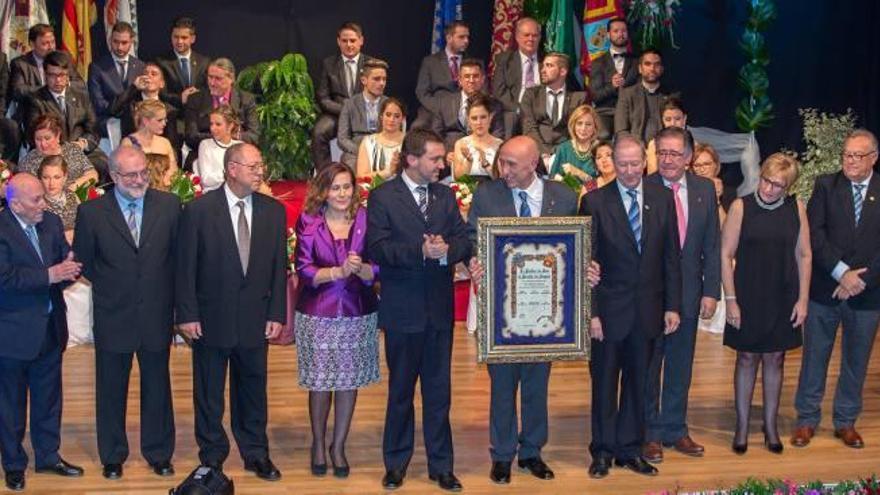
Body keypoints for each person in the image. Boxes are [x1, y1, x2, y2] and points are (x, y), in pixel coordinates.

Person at [467, 135, 578, 484]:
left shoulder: (564, 197)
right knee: (501, 383)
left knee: (536, 382)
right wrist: (474, 259)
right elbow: (472, 237)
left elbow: (574, 247)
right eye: (502, 162)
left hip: (545, 310)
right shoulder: (487, 195)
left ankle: (531, 451)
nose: (504, 170)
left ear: (533, 164)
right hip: (502, 309)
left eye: (512, 164)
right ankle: (501, 454)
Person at [366, 129, 471, 492]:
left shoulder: (444, 196)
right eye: (435, 158)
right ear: (411, 159)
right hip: (402, 310)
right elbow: (377, 248)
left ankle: (442, 466)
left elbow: (464, 238)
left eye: (442, 158)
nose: (442, 164)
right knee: (400, 392)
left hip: (439, 311)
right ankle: (396, 463)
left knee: (439, 393)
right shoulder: (382, 197)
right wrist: (419, 251)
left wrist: (449, 249)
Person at [176, 143, 287, 480]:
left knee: (254, 389)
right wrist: (187, 314)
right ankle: (212, 454)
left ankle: (256, 452)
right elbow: (185, 268)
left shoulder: (273, 210)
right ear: (232, 169)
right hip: (210, 319)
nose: (259, 172)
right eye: (253, 166)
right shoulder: (199, 210)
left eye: (260, 165)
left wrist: (277, 313)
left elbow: (278, 268)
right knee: (209, 392)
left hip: (256, 318)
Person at [72, 146, 180, 480]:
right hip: (112, 314)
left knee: (157, 387)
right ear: (114, 177)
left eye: (143, 172)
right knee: (110, 388)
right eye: (131, 175)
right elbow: (84, 263)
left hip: (156, 314)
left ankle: (159, 453)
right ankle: (113, 455)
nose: (139, 180)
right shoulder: (91, 213)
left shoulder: (170, 206)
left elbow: (178, 258)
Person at [579, 132, 681, 479]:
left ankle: (630, 450)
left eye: (635, 163)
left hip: (648, 310)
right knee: (604, 385)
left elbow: (671, 258)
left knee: (640, 385)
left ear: (645, 162)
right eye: (621, 164)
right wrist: (590, 313)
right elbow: (586, 264)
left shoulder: (663, 198)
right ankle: (602, 451)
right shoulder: (594, 202)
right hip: (607, 314)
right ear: (612, 164)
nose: (628, 170)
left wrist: (673, 306)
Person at [792, 129, 880, 450]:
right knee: (815, 356)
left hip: (868, 294)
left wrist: (861, 281)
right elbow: (814, 234)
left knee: (856, 361)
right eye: (846, 154)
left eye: (858, 155)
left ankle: (846, 421)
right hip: (826, 289)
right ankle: (806, 419)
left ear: (873, 158)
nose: (850, 161)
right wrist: (842, 273)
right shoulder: (826, 186)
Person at [721, 152, 811, 455]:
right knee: (746, 358)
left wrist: (803, 299)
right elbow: (725, 255)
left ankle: (770, 425)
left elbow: (804, 255)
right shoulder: (740, 207)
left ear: (788, 186)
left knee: (776, 358)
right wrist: (731, 300)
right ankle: (743, 425)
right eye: (767, 180)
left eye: (778, 185)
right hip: (747, 293)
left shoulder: (795, 208)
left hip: (783, 294)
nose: (770, 188)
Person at [0, 173, 84, 492]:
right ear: (15, 203)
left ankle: (48, 456)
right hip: (12, 332)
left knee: (49, 399)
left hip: (50, 328)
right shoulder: (2, 229)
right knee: (10, 404)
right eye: (36, 200)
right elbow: (5, 278)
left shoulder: (49, 222)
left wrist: (71, 269)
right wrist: (49, 275)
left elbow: (63, 261)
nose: (43, 204)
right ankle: (13, 463)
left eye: (43, 198)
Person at [294, 163, 379, 478]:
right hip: (318, 313)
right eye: (335, 188)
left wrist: (364, 270)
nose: (342, 193)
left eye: (347, 187)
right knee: (319, 383)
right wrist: (337, 272)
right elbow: (302, 269)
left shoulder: (365, 219)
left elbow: (379, 265)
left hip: (357, 312)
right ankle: (318, 442)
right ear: (323, 191)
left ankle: (338, 445)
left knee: (348, 381)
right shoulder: (309, 221)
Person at [642, 127, 720, 464]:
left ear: (689, 157)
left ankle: (675, 428)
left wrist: (711, 291)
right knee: (648, 367)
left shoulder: (704, 190)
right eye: (662, 153)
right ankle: (649, 432)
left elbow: (712, 246)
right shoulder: (642, 188)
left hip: (690, 294)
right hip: (651, 296)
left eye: (675, 153)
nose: (668, 160)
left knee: (680, 366)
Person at [26, 51, 109, 180]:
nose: (57, 80)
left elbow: (93, 128)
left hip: (83, 150)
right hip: (51, 153)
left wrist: (83, 143)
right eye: (52, 75)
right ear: (45, 75)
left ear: (68, 74)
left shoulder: (81, 94)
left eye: (61, 75)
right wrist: (65, 150)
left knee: (104, 165)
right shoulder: (35, 99)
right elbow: (33, 135)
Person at [312, 22, 374, 169]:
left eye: (353, 40)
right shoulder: (328, 64)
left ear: (361, 41)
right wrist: (345, 110)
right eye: (344, 41)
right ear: (338, 41)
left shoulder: (371, 64)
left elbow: (376, 94)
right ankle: (326, 175)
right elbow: (323, 98)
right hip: (336, 113)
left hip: (364, 114)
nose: (349, 44)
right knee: (319, 132)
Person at [183, 58, 259, 170]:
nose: (212, 83)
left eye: (218, 78)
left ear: (231, 79)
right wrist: (222, 137)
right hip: (203, 156)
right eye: (210, 77)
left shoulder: (246, 100)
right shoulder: (195, 99)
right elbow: (191, 136)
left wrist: (231, 139)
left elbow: (254, 136)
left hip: (238, 158)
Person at [9, 24, 85, 126]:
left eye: (53, 42)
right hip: (35, 115)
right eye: (45, 43)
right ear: (32, 44)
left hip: (64, 111)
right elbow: (17, 91)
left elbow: (80, 84)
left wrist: (66, 85)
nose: (51, 47)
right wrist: (47, 90)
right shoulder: (20, 64)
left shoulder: (64, 58)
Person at [519, 52, 587, 165]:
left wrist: (560, 154)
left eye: (549, 66)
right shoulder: (531, 95)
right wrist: (544, 154)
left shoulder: (579, 98)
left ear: (563, 71)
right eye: (543, 65)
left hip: (567, 156)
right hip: (537, 155)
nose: (543, 70)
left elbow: (579, 132)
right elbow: (529, 127)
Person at [107, 62, 181, 160]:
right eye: (145, 73)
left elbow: (173, 144)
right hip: (132, 155)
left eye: (153, 74)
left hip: (160, 157)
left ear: (162, 83)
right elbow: (113, 110)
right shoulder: (130, 105)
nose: (148, 77)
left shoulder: (169, 110)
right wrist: (133, 87)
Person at [87, 22, 146, 141]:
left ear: (132, 41)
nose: (119, 47)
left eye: (124, 43)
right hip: (107, 130)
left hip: (135, 128)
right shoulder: (97, 67)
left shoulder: (140, 66)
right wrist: (132, 88)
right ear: (110, 40)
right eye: (115, 42)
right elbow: (101, 107)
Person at [431, 59, 504, 152]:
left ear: (483, 79)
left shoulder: (495, 105)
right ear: (460, 80)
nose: (471, 80)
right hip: (450, 155)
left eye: (476, 76)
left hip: (483, 154)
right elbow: (436, 134)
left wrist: (481, 154)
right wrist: (446, 154)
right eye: (467, 76)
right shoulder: (444, 102)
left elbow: (498, 135)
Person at [412, 21, 471, 130]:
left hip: (465, 109)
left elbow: (482, 91)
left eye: (467, 37)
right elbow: (422, 92)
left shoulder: (474, 63)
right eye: (461, 37)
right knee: (417, 128)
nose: (466, 41)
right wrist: (440, 108)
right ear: (449, 38)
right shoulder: (430, 62)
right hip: (435, 109)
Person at [17, 113, 99, 190]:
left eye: (47, 138)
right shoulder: (28, 162)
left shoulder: (72, 149)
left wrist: (74, 187)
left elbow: (93, 175)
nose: (43, 144)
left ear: (58, 135)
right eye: (38, 139)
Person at [614, 49, 679, 144]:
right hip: (634, 150)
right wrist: (633, 148)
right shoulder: (627, 94)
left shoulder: (671, 96)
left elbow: (677, 129)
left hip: (665, 149)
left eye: (656, 64)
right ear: (640, 69)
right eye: (647, 64)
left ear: (661, 69)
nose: (652, 68)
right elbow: (621, 130)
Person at [491, 17, 542, 137]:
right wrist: (520, 109)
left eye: (535, 35)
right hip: (515, 112)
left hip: (541, 111)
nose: (531, 39)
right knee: (509, 118)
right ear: (517, 37)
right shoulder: (505, 60)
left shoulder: (547, 61)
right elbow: (499, 92)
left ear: (539, 38)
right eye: (526, 35)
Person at [590, 18, 638, 138]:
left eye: (623, 31)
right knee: (603, 135)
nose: (620, 34)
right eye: (616, 31)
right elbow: (596, 97)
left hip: (631, 112)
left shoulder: (638, 62)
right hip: (606, 112)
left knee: (636, 136)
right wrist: (612, 86)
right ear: (608, 35)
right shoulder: (597, 63)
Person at [337, 59, 389, 170]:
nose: (381, 83)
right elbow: (342, 139)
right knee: (351, 163)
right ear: (364, 80)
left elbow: (396, 135)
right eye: (376, 79)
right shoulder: (350, 104)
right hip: (356, 150)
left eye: (384, 79)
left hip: (383, 150)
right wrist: (361, 151)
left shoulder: (390, 104)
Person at [154, 16, 210, 110]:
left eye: (184, 38)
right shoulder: (161, 62)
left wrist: (198, 95)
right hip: (173, 117)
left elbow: (209, 90)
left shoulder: (204, 62)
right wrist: (181, 98)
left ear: (192, 39)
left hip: (198, 117)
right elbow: (159, 93)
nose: (179, 41)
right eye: (176, 37)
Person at [451, 94, 503, 181]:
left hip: (492, 191)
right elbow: (458, 179)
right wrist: (469, 161)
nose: (479, 122)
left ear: (490, 117)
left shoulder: (500, 144)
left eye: (483, 117)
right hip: (467, 191)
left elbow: (501, 179)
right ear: (468, 120)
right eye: (474, 118)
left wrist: (485, 164)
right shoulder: (461, 144)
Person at [121, 99, 179, 174]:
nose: (164, 124)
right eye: (159, 120)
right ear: (145, 121)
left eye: (165, 120)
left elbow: (174, 171)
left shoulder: (165, 142)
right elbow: (128, 173)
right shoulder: (128, 144)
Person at [548, 104, 601, 185]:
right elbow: (552, 178)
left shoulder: (600, 149)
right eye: (579, 123)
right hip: (566, 195)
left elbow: (602, 185)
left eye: (588, 124)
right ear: (573, 125)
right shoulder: (563, 149)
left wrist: (579, 173)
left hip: (592, 196)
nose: (583, 128)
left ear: (595, 127)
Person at [194, 105, 243, 191]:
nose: (213, 128)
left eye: (218, 124)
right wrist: (230, 174)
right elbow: (206, 179)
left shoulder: (240, 146)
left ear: (230, 126)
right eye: (211, 124)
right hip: (213, 195)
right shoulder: (206, 145)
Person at [356, 97, 405, 181]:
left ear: (402, 119)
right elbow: (363, 183)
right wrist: (388, 172)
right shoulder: (368, 142)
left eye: (396, 116)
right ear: (381, 116)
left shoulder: (409, 141)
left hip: (405, 192)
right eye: (388, 115)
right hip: (375, 191)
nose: (392, 119)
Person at [38, 156, 79, 243]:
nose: (51, 183)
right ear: (40, 179)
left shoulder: (72, 196)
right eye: (46, 177)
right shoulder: (36, 203)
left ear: (65, 177)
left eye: (57, 177)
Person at [646, 98, 689, 174]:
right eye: (668, 119)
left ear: (684, 119)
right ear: (662, 120)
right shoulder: (654, 145)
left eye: (677, 119)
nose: (673, 123)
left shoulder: (693, 145)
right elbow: (652, 177)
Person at [0, 51, 22, 162]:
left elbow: (4, 92)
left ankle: (6, 168)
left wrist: (0, 112)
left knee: (11, 128)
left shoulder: (1, 57)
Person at [691, 143, 724, 208]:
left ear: (716, 165)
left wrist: (716, 199)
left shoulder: (728, 192)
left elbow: (728, 218)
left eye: (706, 164)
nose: (702, 169)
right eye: (697, 165)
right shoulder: (687, 191)